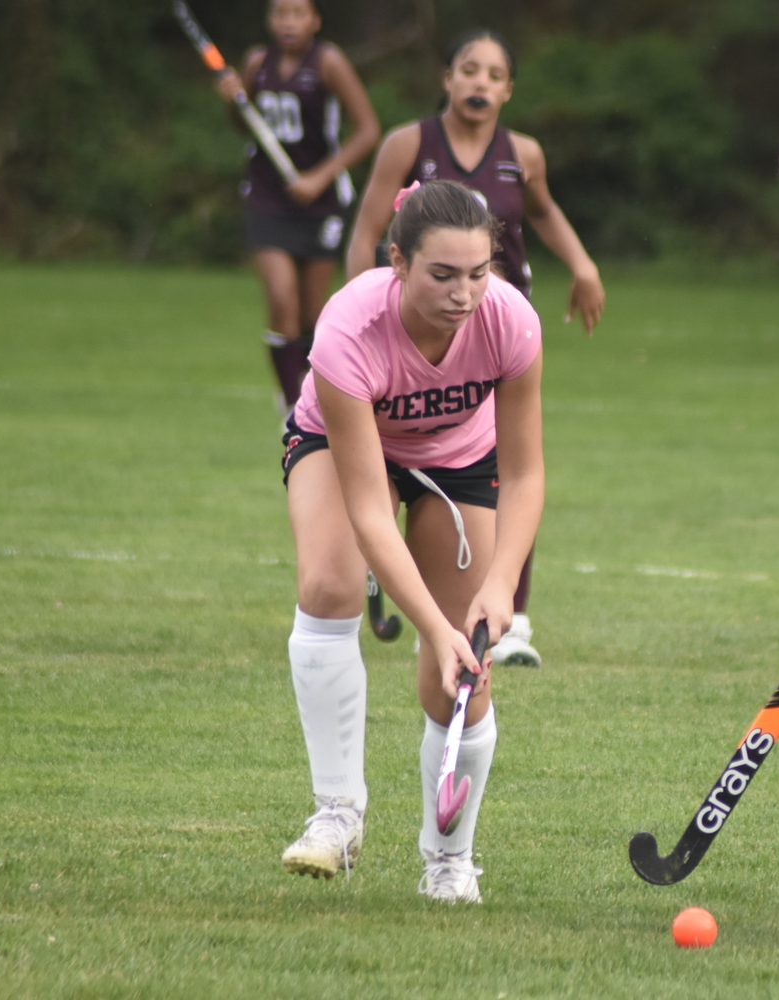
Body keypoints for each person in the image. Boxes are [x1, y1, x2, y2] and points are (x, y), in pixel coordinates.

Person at [277, 180, 543, 904]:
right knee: (330, 582)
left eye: (479, 273)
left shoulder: (512, 323)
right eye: (443, 274)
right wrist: (431, 621)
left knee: (455, 672)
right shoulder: (347, 329)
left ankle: (449, 859)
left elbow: (524, 474)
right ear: (397, 261)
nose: (465, 294)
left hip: (460, 460)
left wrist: (498, 593)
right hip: (346, 448)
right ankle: (337, 813)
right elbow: (369, 509)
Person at [342, 29, 604, 667]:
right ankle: (386, 571)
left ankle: (508, 608)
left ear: (509, 89)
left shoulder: (525, 153)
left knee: (509, 462)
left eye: (494, 74)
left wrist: (583, 264)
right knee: (401, 451)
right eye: (469, 70)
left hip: (496, 338)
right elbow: (368, 229)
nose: (480, 82)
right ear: (447, 79)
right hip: (413, 334)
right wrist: (359, 320)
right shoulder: (409, 144)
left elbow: (543, 212)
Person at [217, 0, 380, 412]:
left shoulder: (328, 62)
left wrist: (320, 177)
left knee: (312, 312)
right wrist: (232, 100)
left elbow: (368, 131)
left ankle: (313, 395)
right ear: (270, 20)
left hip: (321, 203)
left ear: (315, 20)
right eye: (280, 13)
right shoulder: (257, 62)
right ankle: (291, 406)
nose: (288, 22)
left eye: (298, 13)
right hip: (267, 197)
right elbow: (245, 124)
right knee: (280, 296)